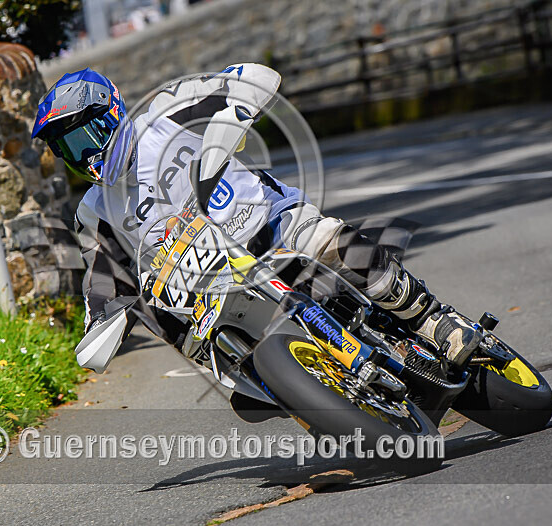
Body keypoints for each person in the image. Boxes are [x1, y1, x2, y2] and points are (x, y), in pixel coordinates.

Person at [31, 64, 482, 367]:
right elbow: (104, 281)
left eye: (90, 132)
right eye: (71, 146)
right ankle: (311, 396)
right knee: (195, 341)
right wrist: (105, 321)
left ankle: (435, 321)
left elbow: (256, 76)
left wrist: (222, 135)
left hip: (273, 224)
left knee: (342, 247)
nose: (87, 152)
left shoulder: (166, 114)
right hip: (216, 291)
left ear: (113, 110)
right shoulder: (93, 211)